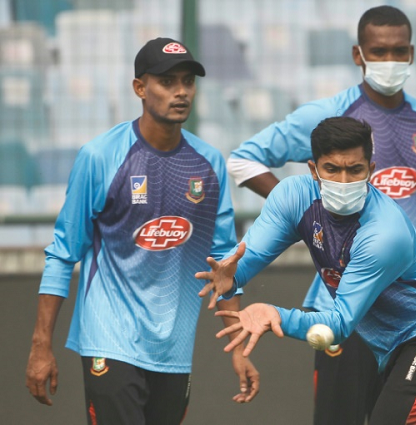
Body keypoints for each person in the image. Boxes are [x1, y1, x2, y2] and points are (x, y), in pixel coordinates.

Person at [226, 5, 416, 423]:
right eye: (378, 51)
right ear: (358, 55)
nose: (389, 61)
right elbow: (244, 161)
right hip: (343, 306)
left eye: (398, 51)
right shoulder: (328, 117)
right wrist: (308, 212)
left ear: (411, 53)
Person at [25, 37, 259, 425]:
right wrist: (40, 345)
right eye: (167, 82)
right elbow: (63, 253)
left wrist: (239, 349)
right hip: (108, 338)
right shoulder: (100, 157)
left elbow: (225, 263)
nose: (181, 91)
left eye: (187, 81)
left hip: (174, 347)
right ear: (139, 88)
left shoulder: (209, 164)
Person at [198, 116, 416, 424]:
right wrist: (232, 276)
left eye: (355, 169)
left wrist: (276, 315)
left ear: (371, 170)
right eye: (332, 169)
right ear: (313, 169)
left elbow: (338, 325)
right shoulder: (294, 196)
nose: (344, 181)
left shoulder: (384, 235)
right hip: (395, 348)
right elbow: (249, 255)